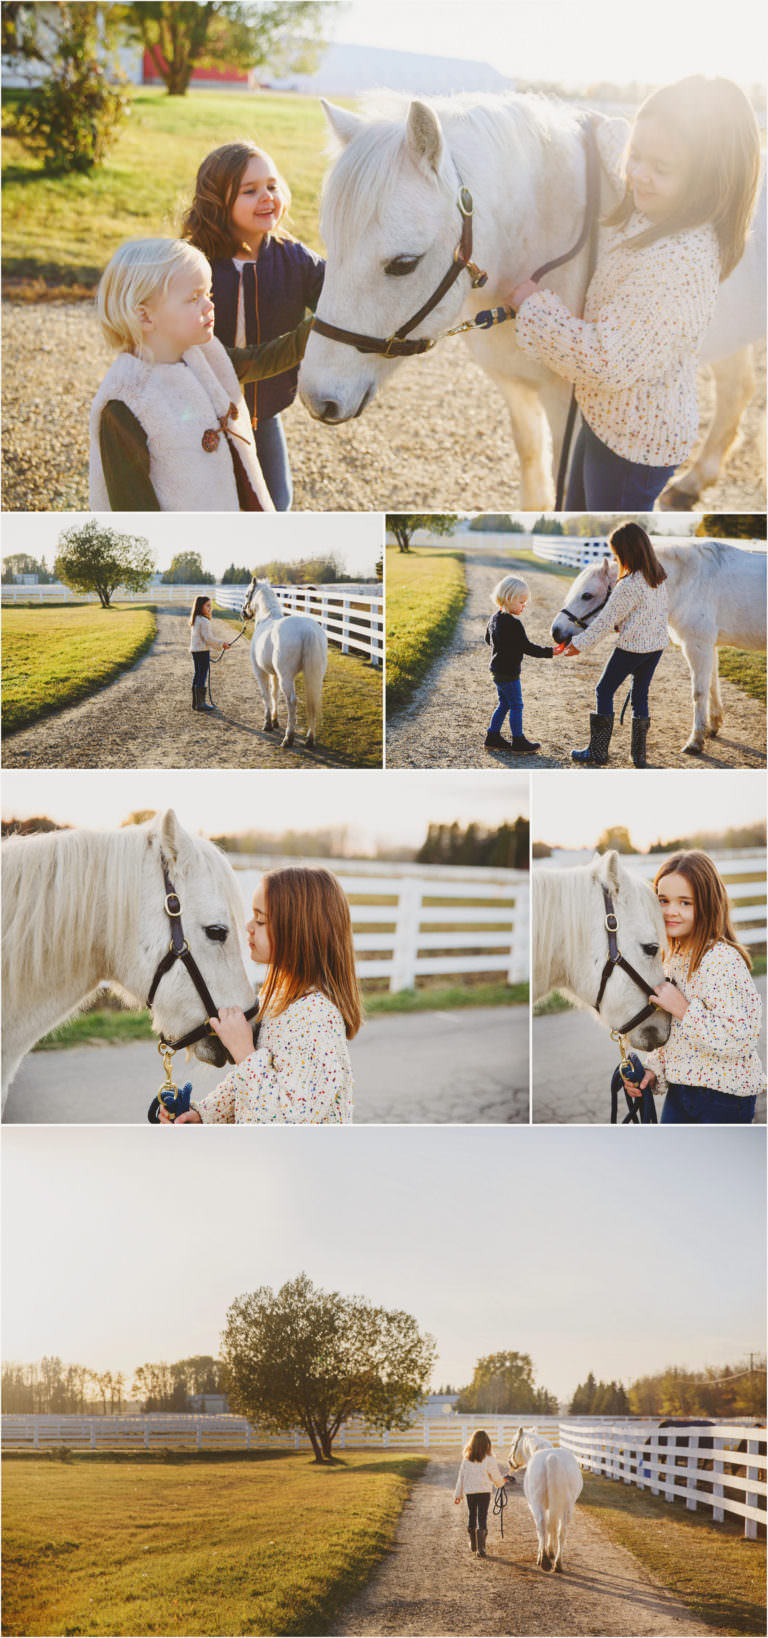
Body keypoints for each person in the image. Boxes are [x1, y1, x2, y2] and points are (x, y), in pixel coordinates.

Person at [508, 77, 761, 509]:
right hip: (607, 417)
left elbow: (607, 361)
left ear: (705, 180)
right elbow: (618, 146)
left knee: (603, 525)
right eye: (637, 156)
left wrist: (534, 309)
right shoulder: (660, 202)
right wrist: (590, 125)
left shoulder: (677, 260)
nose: (638, 174)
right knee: (575, 510)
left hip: (636, 448)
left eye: (660, 168)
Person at [89, 238, 313, 512]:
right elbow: (132, 510)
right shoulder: (126, 403)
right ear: (145, 317)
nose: (209, 306)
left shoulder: (205, 355)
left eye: (209, 295)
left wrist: (322, 326)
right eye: (194, 299)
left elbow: (263, 360)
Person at [182, 141, 324, 512]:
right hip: (197, 408)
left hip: (262, 410)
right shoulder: (194, 262)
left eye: (273, 187)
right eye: (250, 190)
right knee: (206, 497)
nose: (267, 197)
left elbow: (345, 299)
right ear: (218, 202)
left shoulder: (295, 260)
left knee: (276, 501)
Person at [159, 866, 361, 1124]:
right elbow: (250, 1082)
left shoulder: (316, 1019)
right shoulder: (279, 1000)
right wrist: (205, 1115)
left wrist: (244, 1052)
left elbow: (287, 1121)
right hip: (270, 1156)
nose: (249, 926)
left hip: (304, 1162)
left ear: (298, 930)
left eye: (261, 920)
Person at [624, 852, 764, 1124]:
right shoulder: (672, 959)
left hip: (724, 1099)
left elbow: (741, 1037)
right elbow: (675, 1036)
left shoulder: (721, 960)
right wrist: (654, 1070)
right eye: (663, 900)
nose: (670, 910)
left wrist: (684, 1010)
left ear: (707, 906)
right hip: (681, 1091)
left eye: (684, 902)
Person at [554, 521, 668, 768]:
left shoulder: (627, 585)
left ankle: (597, 751)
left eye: (617, 555)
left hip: (632, 648)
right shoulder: (657, 575)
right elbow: (650, 612)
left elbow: (605, 621)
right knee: (640, 697)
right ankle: (638, 757)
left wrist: (579, 644)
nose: (615, 561)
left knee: (604, 690)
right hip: (656, 646)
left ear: (627, 552)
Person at [484, 575, 553, 755]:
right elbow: (527, 648)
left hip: (496, 671)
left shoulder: (494, 618)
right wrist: (551, 651)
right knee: (516, 705)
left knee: (504, 704)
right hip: (508, 673)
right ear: (509, 598)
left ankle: (492, 736)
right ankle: (518, 740)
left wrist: (501, 648)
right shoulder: (514, 624)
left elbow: (487, 639)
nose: (524, 606)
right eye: (521, 602)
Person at [453, 1429, 507, 1557]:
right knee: (482, 1517)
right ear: (486, 1443)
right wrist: (501, 1483)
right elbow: (495, 1476)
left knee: (472, 1515)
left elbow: (461, 1478)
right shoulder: (489, 1459)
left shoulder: (466, 1460)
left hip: (470, 1492)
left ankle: (473, 1544)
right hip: (484, 1492)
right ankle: (481, 1549)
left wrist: (457, 1495)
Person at [189, 593, 229, 713]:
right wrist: (222, 644)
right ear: (200, 606)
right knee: (202, 675)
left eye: (210, 606)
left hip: (195, 650)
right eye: (207, 606)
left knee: (198, 674)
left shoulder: (196, 619)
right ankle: (200, 704)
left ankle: (196, 703)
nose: (209, 608)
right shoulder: (204, 621)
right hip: (202, 651)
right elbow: (209, 639)